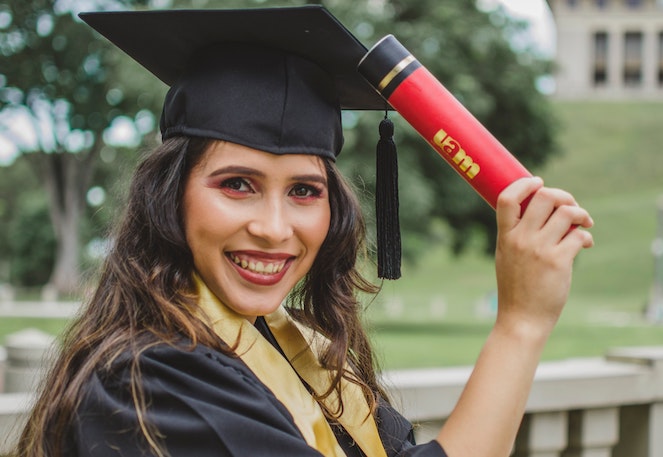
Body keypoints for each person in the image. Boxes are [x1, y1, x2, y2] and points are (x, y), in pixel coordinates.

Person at [14, 6, 594, 457]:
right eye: (236, 184)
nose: (273, 228)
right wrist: (520, 323)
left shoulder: (299, 353)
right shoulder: (150, 383)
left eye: (304, 191)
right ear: (169, 198)